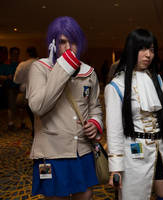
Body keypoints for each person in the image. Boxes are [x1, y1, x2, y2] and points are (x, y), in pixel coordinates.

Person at [27, 16, 103, 199]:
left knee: (85, 196)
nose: (69, 48)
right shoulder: (40, 68)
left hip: (82, 150)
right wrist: (62, 68)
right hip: (52, 152)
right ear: (53, 43)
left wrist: (95, 122)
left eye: (73, 42)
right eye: (62, 42)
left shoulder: (89, 72)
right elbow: (38, 107)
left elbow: (95, 107)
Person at [105, 29, 163, 200]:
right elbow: (114, 132)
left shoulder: (157, 79)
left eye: (152, 50)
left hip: (161, 148)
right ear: (131, 50)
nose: (148, 55)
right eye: (142, 49)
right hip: (134, 152)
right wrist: (115, 167)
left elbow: (162, 116)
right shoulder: (116, 86)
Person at [14, 47, 38, 135]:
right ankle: (37, 129)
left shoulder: (22, 65)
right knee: (38, 111)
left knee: (30, 110)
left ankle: (34, 128)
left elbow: (16, 80)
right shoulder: (41, 63)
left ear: (27, 54)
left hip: (27, 91)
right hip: (39, 90)